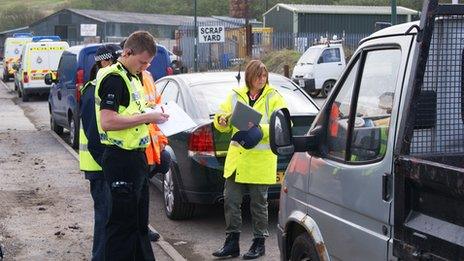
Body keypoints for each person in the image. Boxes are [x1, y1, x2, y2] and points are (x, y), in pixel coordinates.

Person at [95, 31, 168, 261]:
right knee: (122, 228)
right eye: (142, 62)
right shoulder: (114, 78)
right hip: (120, 159)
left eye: (148, 63)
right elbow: (107, 121)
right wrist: (147, 118)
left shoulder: (134, 77)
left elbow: (134, 111)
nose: (145, 67)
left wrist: (152, 113)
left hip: (136, 159)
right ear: (127, 53)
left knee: (139, 224)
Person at [212, 60, 287, 259]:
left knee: (259, 204)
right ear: (249, 76)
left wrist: (259, 130)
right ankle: (232, 243)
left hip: (260, 161)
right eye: (258, 76)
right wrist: (221, 120)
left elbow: (281, 126)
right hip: (238, 159)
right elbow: (221, 118)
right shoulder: (235, 95)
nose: (262, 79)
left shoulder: (274, 97)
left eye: (264, 76)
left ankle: (259, 243)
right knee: (231, 201)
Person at [78, 43, 121, 261]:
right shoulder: (93, 90)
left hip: (107, 164)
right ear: (104, 62)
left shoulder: (104, 86)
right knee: (105, 218)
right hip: (101, 166)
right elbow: (94, 134)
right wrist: (108, 163)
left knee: (112, 219)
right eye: (116, 61)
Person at [140, 69, 171, 242]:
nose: (148, 64)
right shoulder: (128, 77)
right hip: (138, 147)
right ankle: (139, 229)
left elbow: (158, 109)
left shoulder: (148, 76)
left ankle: (143, 227)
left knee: (143, 194)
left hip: (151, 146)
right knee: (137, 194)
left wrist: (162, 142)